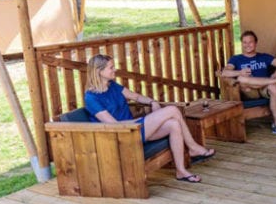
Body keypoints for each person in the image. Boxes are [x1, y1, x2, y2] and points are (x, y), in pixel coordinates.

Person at [84, 54, 214, 183]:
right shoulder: (91, 98)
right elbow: (113, 124)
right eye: (111, 68)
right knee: (172, 110)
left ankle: (181, 170)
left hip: (136, 129)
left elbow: (137, 97)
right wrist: (143, 120)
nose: (115, 70)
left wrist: (152, 102)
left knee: (173, 124)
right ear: (98, 71)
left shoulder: (113, 86)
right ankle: (192, 147)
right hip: (123, 134)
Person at [223, 30, 276, 136]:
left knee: (273, 87)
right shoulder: (236, 59)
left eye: (250, 42)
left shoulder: (264, 57)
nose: (247, 45)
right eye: (245, 42)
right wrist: (239, 72)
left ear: (256, 43)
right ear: (242, 44)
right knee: (241, 78)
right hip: (249, 91)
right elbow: (224, 72)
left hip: (264, 89)